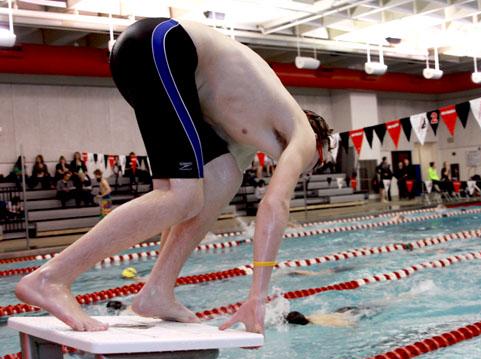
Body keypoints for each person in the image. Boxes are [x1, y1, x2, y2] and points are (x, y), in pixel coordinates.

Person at [15, 17, 335, 335]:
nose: (308, 170)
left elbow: (180, 206)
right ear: (320, 149)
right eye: (316, 165)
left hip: (151, 57)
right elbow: (274, 205)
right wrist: (257, 296)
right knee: (182, 196)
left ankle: (157, 291)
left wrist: (161, 269)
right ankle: (50, 278)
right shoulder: (302, 134)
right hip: (163, 45)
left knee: (221, 178)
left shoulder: (247, 131)